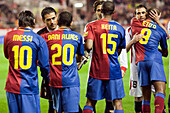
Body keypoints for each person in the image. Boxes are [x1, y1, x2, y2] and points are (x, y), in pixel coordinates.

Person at [83, 1, 128, 112]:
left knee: (90, 102)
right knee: (118, 103)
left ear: (101, 11)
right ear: (114, 12)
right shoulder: (120, 28)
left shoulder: (91, 26)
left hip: (96, 70)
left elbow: (88, 47)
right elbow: (119, 51)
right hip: (114, 70)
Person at [3, 10, 49, 113]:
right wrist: (48, 80)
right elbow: (44, 65)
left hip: (11, 87)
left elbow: (7, 56)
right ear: (33, 21)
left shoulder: (8, 36)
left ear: (19, 22)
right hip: (29, 87)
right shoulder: (38, 39)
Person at [126, 5, 168, 113]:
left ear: (147, 14)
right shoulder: (158, 28)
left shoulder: (134, 23)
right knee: (159, 92)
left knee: (146, 97)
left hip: (140, 63)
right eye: (138, 13)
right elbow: (166, 35)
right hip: (152, 62)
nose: (140, 15)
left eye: (143, 13)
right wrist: (157, 21)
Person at [41, 11, 85, 113]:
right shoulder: (77, 37)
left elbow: (43, 58)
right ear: (71, 23)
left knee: (57, 110)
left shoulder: (46, 37)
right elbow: (80, 56)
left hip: (54, 80)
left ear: (57, 21)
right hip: (71, 81)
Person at [37, 7, 58, 113]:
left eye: (53, 18)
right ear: (43, 21)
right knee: (52, 104)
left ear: (57, 17)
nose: (52, 22)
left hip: (66, 75)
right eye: (48, 20)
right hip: (49, 75)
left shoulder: (66, 31)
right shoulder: (40, 35)